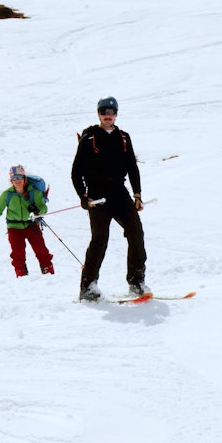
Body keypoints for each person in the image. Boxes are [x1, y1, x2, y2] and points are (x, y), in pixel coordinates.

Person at [71, 96, 148, 301]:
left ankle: (136, 281)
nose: (108, 116)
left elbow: (132, 166)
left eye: (111, 112)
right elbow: (76, 171)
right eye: (104, 112)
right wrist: (83, 195)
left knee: (136, 233)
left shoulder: (123, 137)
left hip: (119, 194)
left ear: (116, 114)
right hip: (98, 197)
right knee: (99, 241)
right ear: (99, 114)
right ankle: (88, 287)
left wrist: (137, 194)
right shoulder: (89, 139)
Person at [0, 165, 54, 277]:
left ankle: (49, 275)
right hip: (14, 227)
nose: (17, 181)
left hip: (31, 225)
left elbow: (43, 207)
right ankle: (22, 277)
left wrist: (37, 210)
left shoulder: (34, 192)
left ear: (24, 179)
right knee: (18, 255)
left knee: (42, 251)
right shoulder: (7, 194)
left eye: (20, 177)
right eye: (14, 178)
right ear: (11, 180)